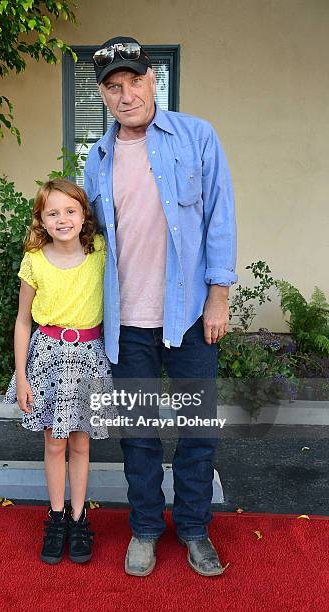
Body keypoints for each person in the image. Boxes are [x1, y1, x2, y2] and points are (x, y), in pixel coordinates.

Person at [84, 37, 238, 577]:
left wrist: (219, 296)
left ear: (154, 80)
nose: (125, 95)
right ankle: (146, 528)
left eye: (133, 82)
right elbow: (92, 242)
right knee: (139, 433)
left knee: (198, 429)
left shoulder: (197, 137)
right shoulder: (97, 158)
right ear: (103, 95)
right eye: (113, 87)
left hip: (192, 315)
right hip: (127, 323)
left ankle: (194, 529)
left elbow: (220, 217)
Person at [4, 179, 114, 565]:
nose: (63, 219)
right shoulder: (34, 261)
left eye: (71, 210)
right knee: (54, 442)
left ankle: (80, 516)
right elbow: (22, 322)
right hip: (48, 356)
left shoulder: (99, 251)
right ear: (42, 220)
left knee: (81, 442)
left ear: (84, 215)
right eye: (53, 213)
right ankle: (55, 517)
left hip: (88, 355)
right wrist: (22, 375)